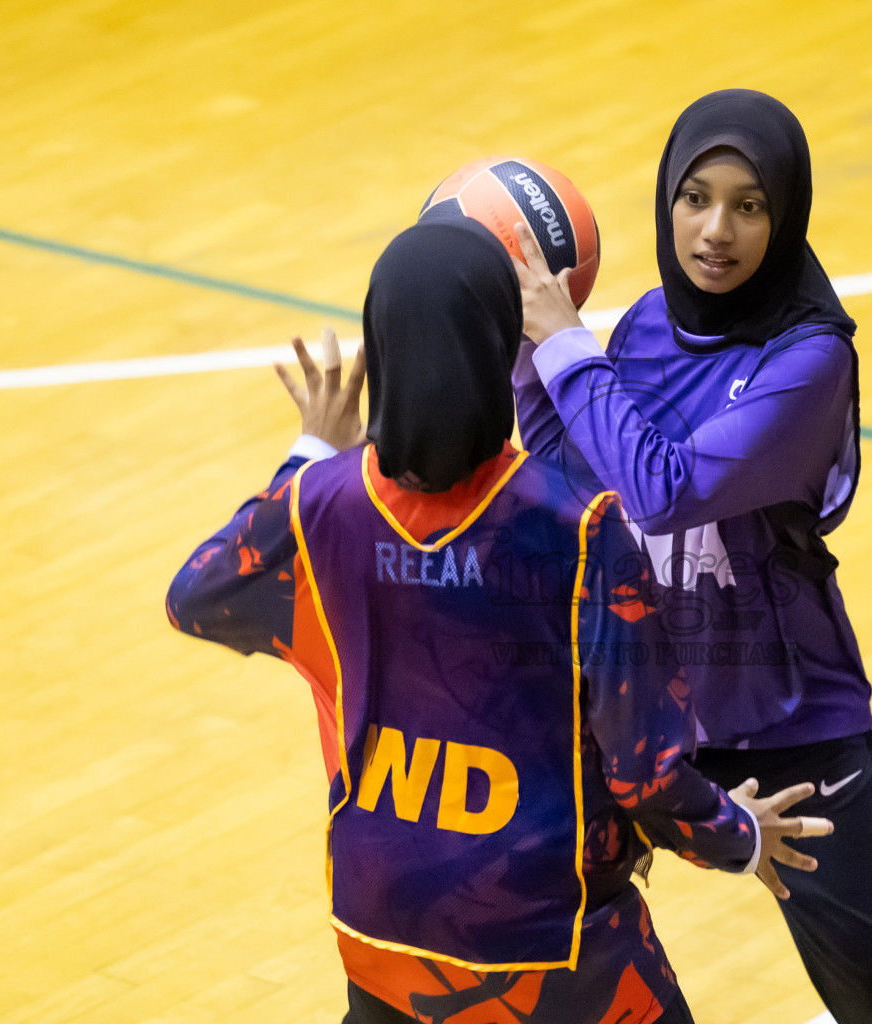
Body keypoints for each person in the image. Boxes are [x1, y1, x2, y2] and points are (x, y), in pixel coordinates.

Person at [166, 218, 831, 1024]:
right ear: (494, 347)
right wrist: (741, 837)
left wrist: (308, 451)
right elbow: (641, 775)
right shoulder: (576, 527)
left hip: (383, 937)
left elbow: (196, 596)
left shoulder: (320, 504)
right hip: (548, 950)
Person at [510, 89, 872, 1023]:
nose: (716, 230)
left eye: (749, 205)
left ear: (785, 215)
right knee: (540, 928)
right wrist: (522, 344)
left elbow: (669, 488)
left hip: (793, 728)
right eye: (695, 198)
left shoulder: (811, 359)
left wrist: (566, 351)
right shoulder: (635, 328)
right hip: (649, 710)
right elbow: (572, 472)